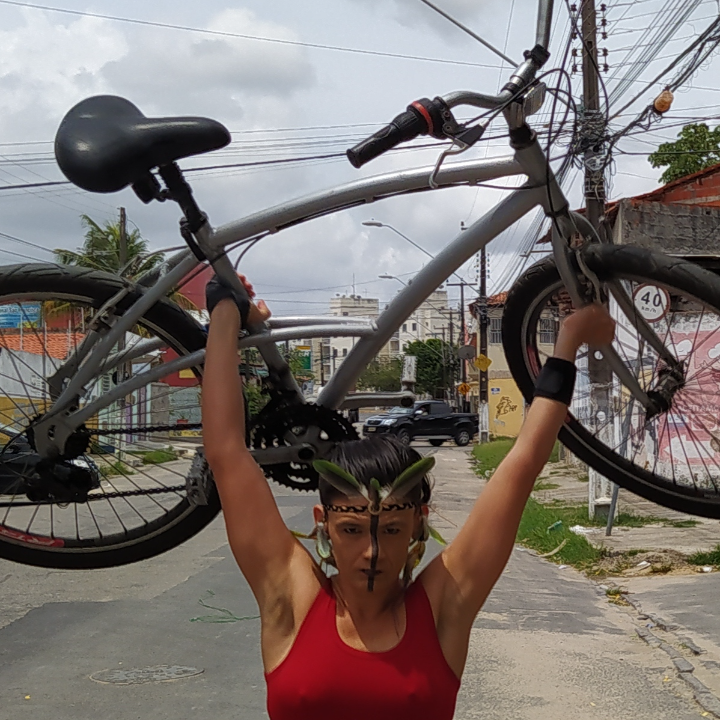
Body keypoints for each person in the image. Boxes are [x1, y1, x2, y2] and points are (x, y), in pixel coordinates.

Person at [201, 274, 616, 720]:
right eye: (352, 530)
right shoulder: (291, 595)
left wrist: (567, 342)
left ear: (418, 521)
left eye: (392, 529)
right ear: (323, 522)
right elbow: (226, 453)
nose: (372, 551)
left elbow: (523, 463)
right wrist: (226, 309)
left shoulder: (443, 606)